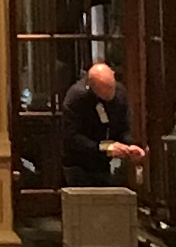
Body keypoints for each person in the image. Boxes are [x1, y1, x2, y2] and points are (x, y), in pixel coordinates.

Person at [59, 56, 145, 192]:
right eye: (104, 90)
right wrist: (105, 148)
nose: (111, 94)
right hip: (78, 164)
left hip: (105, 164)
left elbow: (123, 126)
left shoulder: (120, 93)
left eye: (111, 87)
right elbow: (72, 137)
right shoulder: (76, 98)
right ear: (92, 87)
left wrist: (129, 146)